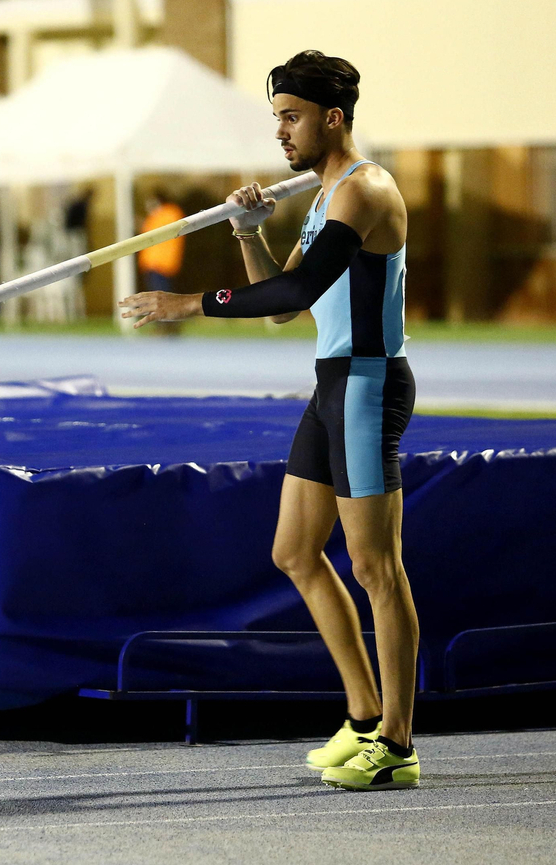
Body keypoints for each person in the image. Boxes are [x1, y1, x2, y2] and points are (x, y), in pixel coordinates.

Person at [119, 51, 420, 792]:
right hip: (331, 383)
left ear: (333, 118)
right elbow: (284, 308)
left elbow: (304, 283)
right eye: (277, 117)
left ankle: (398, 743)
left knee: (376, 567)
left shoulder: (365, 191)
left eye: (291, 116)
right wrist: (248, 231)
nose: (280, 132)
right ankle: (360, 718)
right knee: (294, 551)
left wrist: (188, 303)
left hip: (368, 383)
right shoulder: (321, 201)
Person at [137, 189, 185, 294]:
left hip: (162, 265)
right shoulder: (159, 216)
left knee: (161, 295)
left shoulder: (169, 213)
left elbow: (156, 231)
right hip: (154, 265)